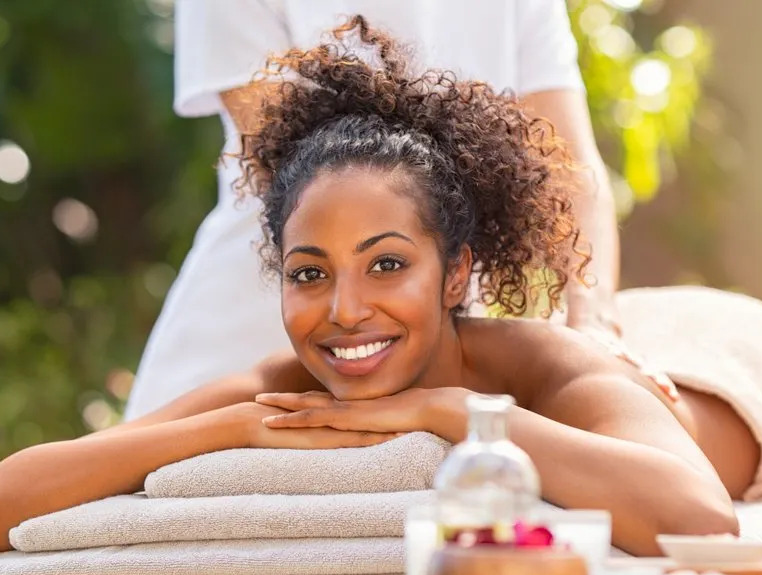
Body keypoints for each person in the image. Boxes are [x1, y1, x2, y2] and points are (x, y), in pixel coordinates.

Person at [0, 19, 762, 560]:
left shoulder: (537, 368)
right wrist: (226, 428)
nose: (343, 308)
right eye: (309, 275)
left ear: (459, 271)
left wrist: (459, 413)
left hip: (661, 350)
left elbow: (700, 520)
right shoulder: (279, 386)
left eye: (386, 265)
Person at [123, 0, 620, 419]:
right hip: (243, 336)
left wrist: (592, 326)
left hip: (424, 341)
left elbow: (571, 171)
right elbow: (297, 161)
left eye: (385, 261)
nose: (348, 309)